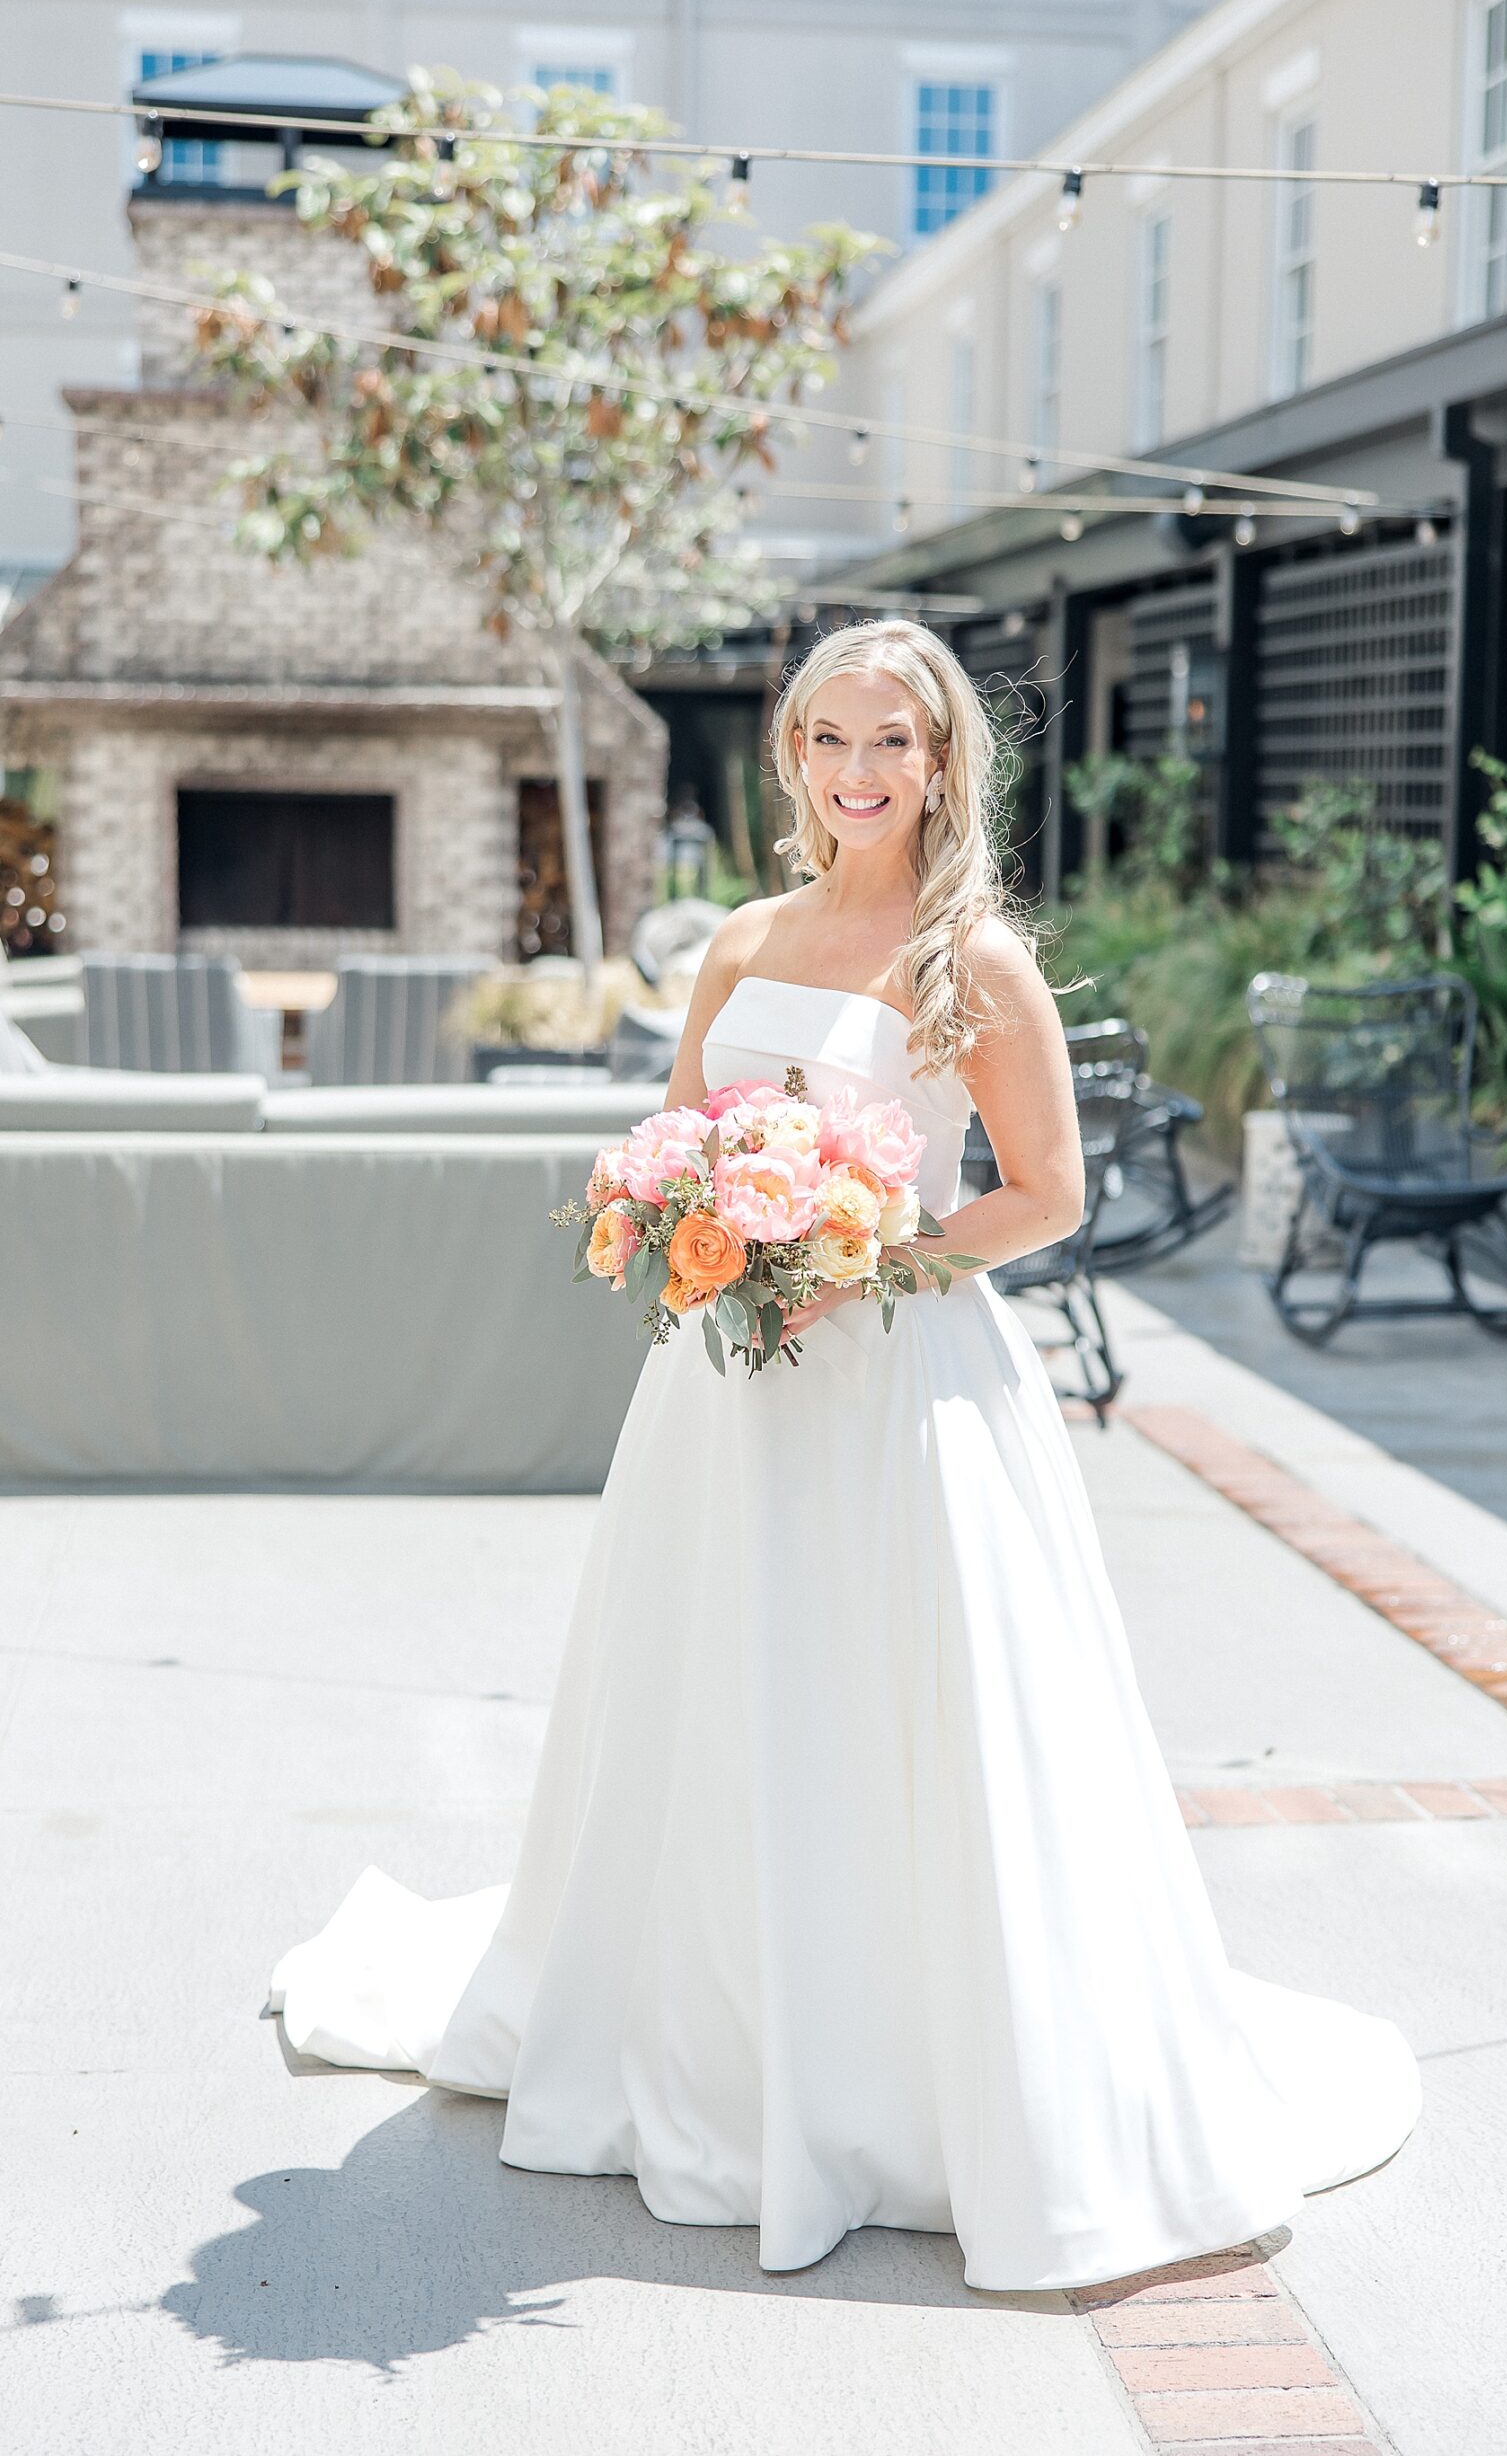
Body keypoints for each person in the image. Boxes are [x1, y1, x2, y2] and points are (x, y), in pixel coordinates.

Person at [269, 618, 1420, 2293]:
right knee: (710, 1693)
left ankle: (897, 2076)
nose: (861, 773)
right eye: (831, 741)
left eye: (896, 742)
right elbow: (674, 1134)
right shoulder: (741, 939)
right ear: (795, 756)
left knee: (890, 1710)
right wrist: (682, 1217)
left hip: (897, 1386)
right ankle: (707, 2035)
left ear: (942, 761)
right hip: (727, 1387)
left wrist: (869, 1250)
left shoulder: (979, 960)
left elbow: (1048, 1194)